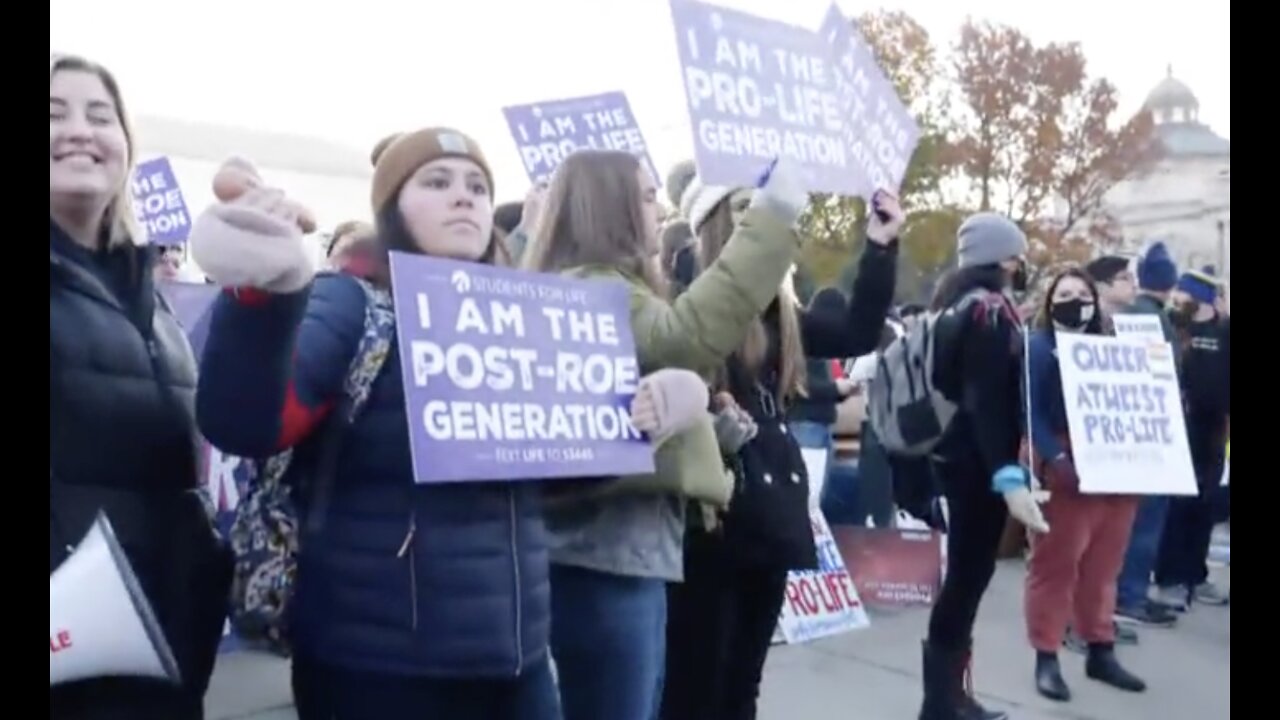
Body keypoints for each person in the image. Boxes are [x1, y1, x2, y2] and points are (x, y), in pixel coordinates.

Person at [190, 128, 566, 719]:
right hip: (382, 670)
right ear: (392, 207)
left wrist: (638, 426)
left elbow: (554, 482)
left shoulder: (523, 323)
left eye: (476, 187)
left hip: (518, 663)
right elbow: (248, 422)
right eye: (437, 182)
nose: (463, 197)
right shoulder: (351, 303)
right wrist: (263, 297)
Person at [523, 150, 810, 720]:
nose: (659, 209)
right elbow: (683, 338)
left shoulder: (608, 289)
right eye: (648, 196)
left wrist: (705, 432)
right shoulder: (595, 290)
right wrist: (772, 219)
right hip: (605, 557)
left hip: (621, 552)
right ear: (611, 208)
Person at [660, 174, 899, 720]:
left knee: (743, 685)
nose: (768, 220)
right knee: (696, 690)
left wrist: (882, 248)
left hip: (769, 516)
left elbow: (859, 332)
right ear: (717, 226)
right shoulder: (680, 308)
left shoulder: (781, 313)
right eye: (748, 209)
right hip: (708, 525)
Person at [50, 54, 231, 720]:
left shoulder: (149, 295)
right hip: (70, 644)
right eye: (54, 113)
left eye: (101, 116)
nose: (79, 130)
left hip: (163, 635)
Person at [918, 213, 1049, 720]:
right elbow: (986, 402)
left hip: (954, 457)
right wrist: (1007, 472)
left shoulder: (954, 305)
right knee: (968, 578)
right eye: (1017, 255)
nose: (1022, 264)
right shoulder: (991, 313)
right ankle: (944, 702)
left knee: (965, 577)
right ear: (1004, 258)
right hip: (976, 465)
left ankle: (947, 697)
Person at [1023, 267, 1146, 702]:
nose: (1074, 300)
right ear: (1050, 301)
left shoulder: (1112, 348)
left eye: (1081, 292)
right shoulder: (1038, 348)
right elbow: (1030, 410)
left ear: (1095, 300)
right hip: (1068, 459)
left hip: (1117, 462)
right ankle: (1047, 655)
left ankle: (1100, 646)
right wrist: (1055, 458)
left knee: (1104, 563)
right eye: (1065, 293)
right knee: (1056, 564)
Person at [1101, 242, 1186, 627]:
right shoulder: (1149, 320)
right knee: (1144, 520)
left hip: (1137, 430)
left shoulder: (1135, 316)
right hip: (1149, 433)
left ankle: (1127, 591)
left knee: (1135, 521)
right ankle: (1128, 594)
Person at [1155, 268, 1231, 610]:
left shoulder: (1223, 332)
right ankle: (1170, 578)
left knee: (1205, 506)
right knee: (1177, 508)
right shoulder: (1173, 327)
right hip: (1176, 431)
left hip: (1212, 433)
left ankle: (1195, 575)